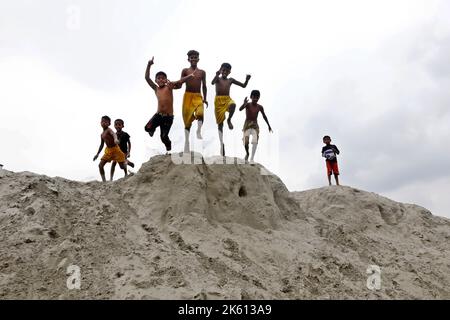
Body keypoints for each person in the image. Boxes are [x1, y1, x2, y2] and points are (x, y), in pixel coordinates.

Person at [144, 57, 196, 154]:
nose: (160, 79)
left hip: (168, 117)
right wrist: (149, 65)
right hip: (158, 115)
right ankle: (152, 129)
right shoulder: (156, 89)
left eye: (163, 78)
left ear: (166, 80)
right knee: (147, 128)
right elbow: (147, 78)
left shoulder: (169, 86)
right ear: (156, 80)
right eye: (158, 78)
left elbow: (180, 81)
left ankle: (168, 147)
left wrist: (190, 76)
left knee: (163, 137)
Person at [212, 62, 251, 156]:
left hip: (227, 99)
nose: (225, 72)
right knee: (220, 125)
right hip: (218, 101)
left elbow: (243, 85)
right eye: (223, 70)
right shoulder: (218, 78)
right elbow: (212, 82)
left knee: (233, 104)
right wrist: (216, 75)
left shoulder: (231, 80)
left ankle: (229, 119)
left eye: (227, 71)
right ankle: (221, 144)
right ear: (221, 70)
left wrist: (247, 79)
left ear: (229, 72)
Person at [181, 50, 208, 153]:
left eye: (195, 57)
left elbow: (204, 86)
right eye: (191, 57)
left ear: (198, 59)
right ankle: (186, 142)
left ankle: (198, 130)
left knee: (200, 113)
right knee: (187, 122)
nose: (193, 59)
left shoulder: (202, 72)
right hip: (187, 96)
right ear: (188, 59)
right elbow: (180, 82)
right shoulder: (185, 70)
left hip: (198, 96)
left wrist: (204, 98)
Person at [239, 90, 273, 162]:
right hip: (247, 124)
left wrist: (269, 125)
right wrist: (244, 104)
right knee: (246, 142)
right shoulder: (248, 104)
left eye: (257, 98)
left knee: (255, 140)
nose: (255, 99)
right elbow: (240, 109)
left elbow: (264, 116)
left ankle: (252, 158)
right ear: (251, 97)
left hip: (255, 125)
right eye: (254, 97)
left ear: (259, 98)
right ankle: (247, 153)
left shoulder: (260, 107)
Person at [93, 116, 127, 182]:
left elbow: (113, 134)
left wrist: (115, 139)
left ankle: (125, 163)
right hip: (108, 150)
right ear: (100, 123)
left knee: (122, 167)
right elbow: (101, 144)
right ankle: (104, 181)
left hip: (116, 150)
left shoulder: (109, 130)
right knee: (100, 165)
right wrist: (97, 154)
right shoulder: (102, 134)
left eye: (106, 122)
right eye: (102, 121)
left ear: (109, 124)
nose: (104, 123)